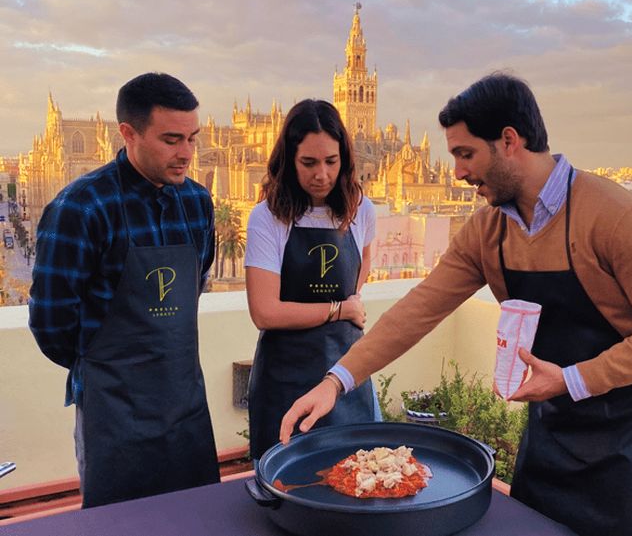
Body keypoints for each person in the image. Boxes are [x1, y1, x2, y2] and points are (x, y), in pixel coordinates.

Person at [280, 73, 632, 536]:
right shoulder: (489, 231)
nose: (458, 172)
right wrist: (336, 381)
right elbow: (420, 308)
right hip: (555, 429)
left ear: (509, 141)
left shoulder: (617, 217)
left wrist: (571, 379)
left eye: (466, 154)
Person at [29, 72, 219, 508]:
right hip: (114, 416)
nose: (187, 153)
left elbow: (196, 285)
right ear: (128, 133)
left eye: (193, 138)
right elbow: (52, 326)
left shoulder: (197, 203)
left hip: (185, 404)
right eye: (171, 140)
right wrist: (109, 368)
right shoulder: (80, 208)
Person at [244, 99, 379, 460]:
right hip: (284, 377)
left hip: (347, 373)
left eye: (331, 162)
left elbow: (363, 264)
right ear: (289, 160)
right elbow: (265, 312)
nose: (322, 174)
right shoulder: (267, 218)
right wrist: (338, 309)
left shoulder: (361, 209)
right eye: (309, 163)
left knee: (359, 481)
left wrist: (349, 304)